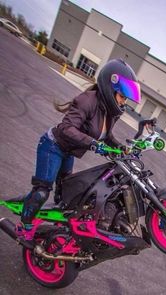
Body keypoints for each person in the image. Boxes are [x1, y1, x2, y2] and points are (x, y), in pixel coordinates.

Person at [17, 58, 141, 238]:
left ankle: (54, 230)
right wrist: (93, 144)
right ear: (109, 87)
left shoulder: (109, 110)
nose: (123, 102)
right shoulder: (87, 101)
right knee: (42, 191)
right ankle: (24, 226)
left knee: (66, 196)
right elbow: (66, 128)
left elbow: (106, 136)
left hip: (68, 151)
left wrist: (120, 148)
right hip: (53, 146)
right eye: (122, 96)